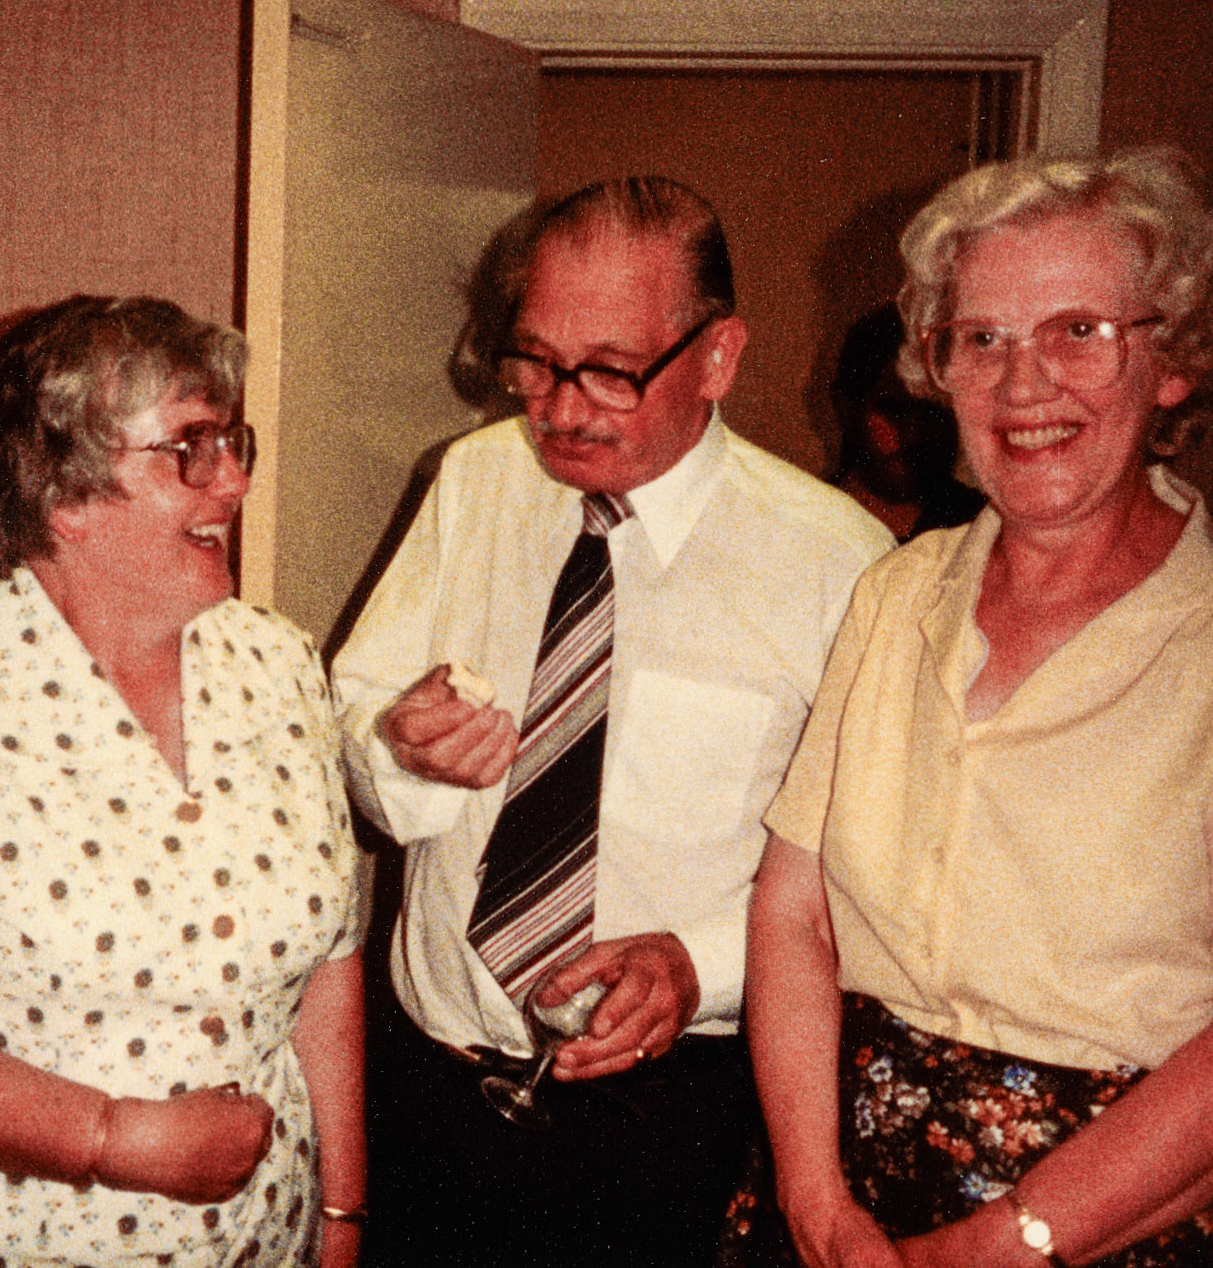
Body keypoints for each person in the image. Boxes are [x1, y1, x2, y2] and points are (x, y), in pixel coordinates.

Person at [331, 177, 892, 1266]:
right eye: (533, 362)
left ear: (718, 358)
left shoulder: (841, 566)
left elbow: (861, 879)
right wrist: (397, 745)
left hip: (668, 1123)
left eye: (610, 371)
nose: (562, 407)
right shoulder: (474, 481)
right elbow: (353, 721)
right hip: (429, 1092)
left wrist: (702, 966)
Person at [744, 147, 1213, 1267]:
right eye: (982, 339)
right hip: (831, 1200)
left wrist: (1014, 1238)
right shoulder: (897, 589)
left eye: (1079, 331)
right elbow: (792, 914)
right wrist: (815, 1204)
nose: (1025, 382)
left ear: (1175, 362)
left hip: (1106, 1220)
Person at [0, 295, 367, 1268]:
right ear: (64, 495)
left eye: (231, 439)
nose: (235, 480)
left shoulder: (281, 662)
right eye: (191, 447)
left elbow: (327, 968)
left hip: (266, 1238)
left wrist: (341, 1217)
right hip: (20, 1239)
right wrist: (119, 1137)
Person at [828, 302, 985, 542]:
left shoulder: (987, 529)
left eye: (932, 409)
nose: (914, 433)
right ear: (847, 407)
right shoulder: (814, 523)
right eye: (893, 410)